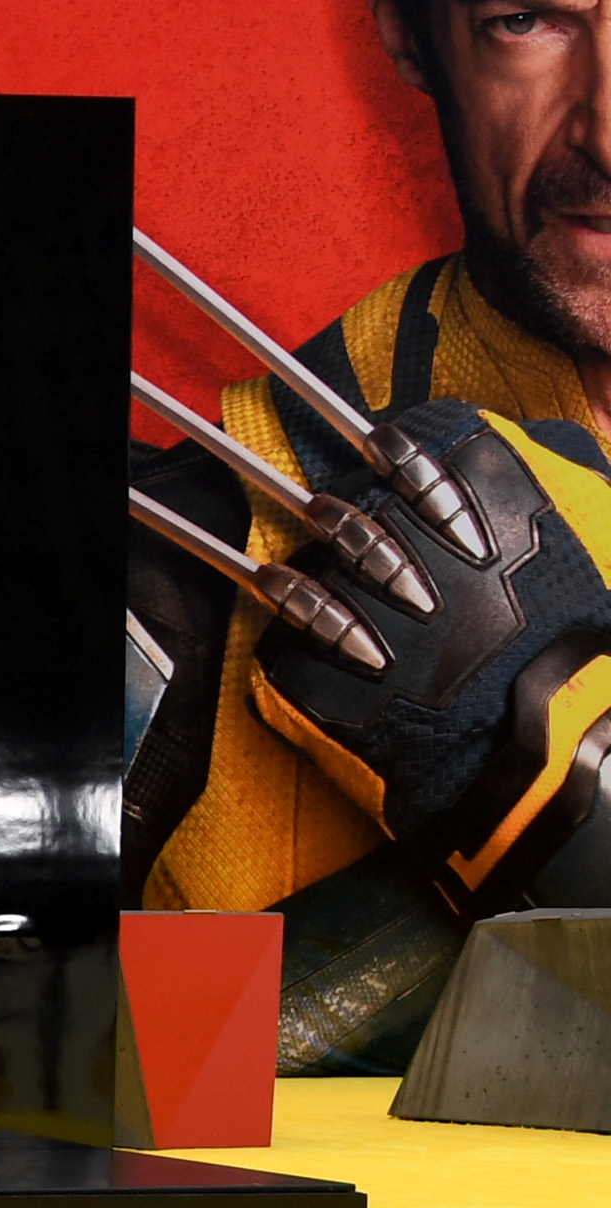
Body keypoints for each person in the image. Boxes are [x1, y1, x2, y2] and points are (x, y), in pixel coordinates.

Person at [127, 0, 611, 1067]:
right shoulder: (191, 556)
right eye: (529, 19)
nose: (607, 128)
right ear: (406, 32)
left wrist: (570, 793)